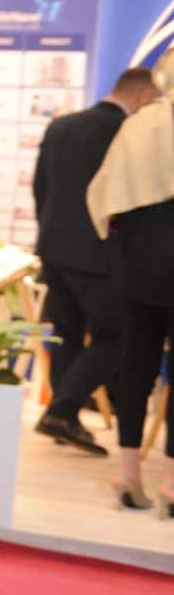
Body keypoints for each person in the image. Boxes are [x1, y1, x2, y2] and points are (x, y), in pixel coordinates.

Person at [31, 67, 160, 456]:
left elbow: (40, 188)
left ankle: (64, 418)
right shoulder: (127, 133)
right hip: (98, 254)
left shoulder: (61, 126)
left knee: (67, 333)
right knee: (118, 336)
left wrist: (50, 235)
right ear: (141, 96)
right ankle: (62, 410)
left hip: (54, 248)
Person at [88, 74, 174, 512]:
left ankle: (128, 471)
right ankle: (172, 481)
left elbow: (103, 192)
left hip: (138, 265)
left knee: (136, 365)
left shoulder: (139, 123)